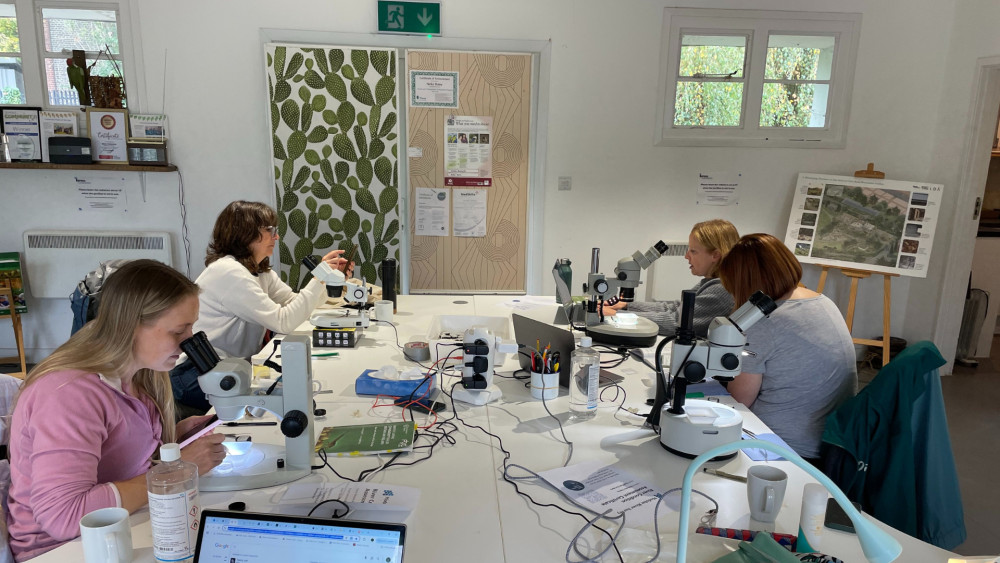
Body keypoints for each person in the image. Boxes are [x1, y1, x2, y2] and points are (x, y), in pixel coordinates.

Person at [6, 260, 226, 562]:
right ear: (131, 325)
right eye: (178, 331)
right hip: (62, 550)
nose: (189, 340)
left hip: (118, 529)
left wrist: (169, 443)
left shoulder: (139, 374)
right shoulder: (68, 394)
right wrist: (174, 473)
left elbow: (114, 455)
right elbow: (63, 517)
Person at [171, 201, 351, 413]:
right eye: (270, 230)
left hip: (230, 368)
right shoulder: (228, 272)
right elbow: (284, 322)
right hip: (196, 374)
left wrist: (329, 282)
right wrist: (319, 278)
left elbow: (296, 306)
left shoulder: (258, 272)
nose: (276, 237)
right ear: (245, 233)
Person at [717, 233, 858, 462]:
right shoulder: (823, 301)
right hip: (830, 442)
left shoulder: (765, 323)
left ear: (744, 284)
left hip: (783, 447)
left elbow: (738, 399)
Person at [600, 219, 739, 336]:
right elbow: (675, 307)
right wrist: (626, 306)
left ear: (715, 255)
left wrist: (616, 315)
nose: (686, 256)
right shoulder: (711, 283)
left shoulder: (722, 291)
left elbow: (675, 321)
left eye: (693, 251)